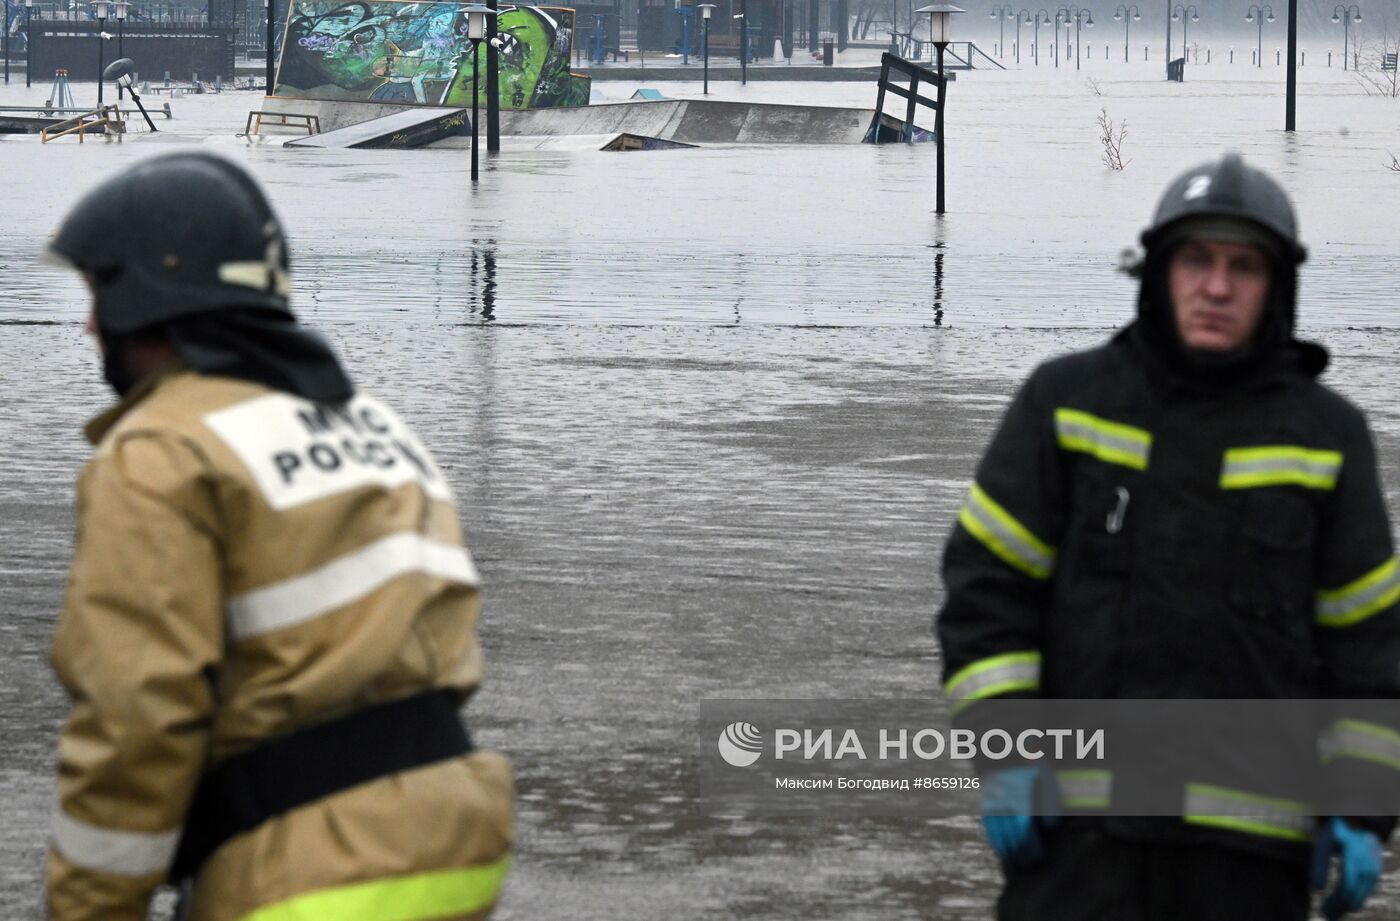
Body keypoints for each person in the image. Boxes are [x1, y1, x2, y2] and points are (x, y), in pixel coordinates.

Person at [43, 152, 514, 921]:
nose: (92, 321)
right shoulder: (372, 423)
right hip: (458, 837)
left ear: (146, 296)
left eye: (99, 292)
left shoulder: (161, 449)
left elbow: (135, 714)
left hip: (313, 866)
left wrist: (91, 907)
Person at [936, 152, 1400, 921]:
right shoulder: (1068, 405)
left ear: (1277, 285)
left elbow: (1372, 650)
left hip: (1248, 869)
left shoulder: (1326, 439)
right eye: (1196, 259)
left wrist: (1360, 808)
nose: (1216, 286)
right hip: (1077, 856)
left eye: (1243, 266)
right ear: (1157, 271)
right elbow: (989, 593)